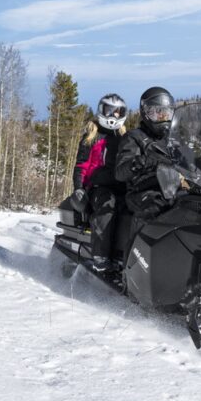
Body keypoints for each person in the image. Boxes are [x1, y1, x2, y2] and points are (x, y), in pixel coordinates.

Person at [70, 93, 127, 273]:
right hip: (97, 188)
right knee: (107, 204)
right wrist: (79, 188)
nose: (113, 116)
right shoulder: (92, 137)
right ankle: (100, 255)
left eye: (118, 112)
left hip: (121, 185)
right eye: (109, 111)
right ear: (101, 111)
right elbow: (81, 165)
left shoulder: (123, 137)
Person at [115, 86, 176, 227]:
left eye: (167, 112)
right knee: (155, 208)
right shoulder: (134, 137)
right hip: (141, 192)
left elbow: (188, 160)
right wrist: (143, 161)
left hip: (171, 189)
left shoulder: (171, 139)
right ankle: (136, 248)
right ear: (146, 113)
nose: (163, 117)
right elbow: (120, 172)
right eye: (158, 112)